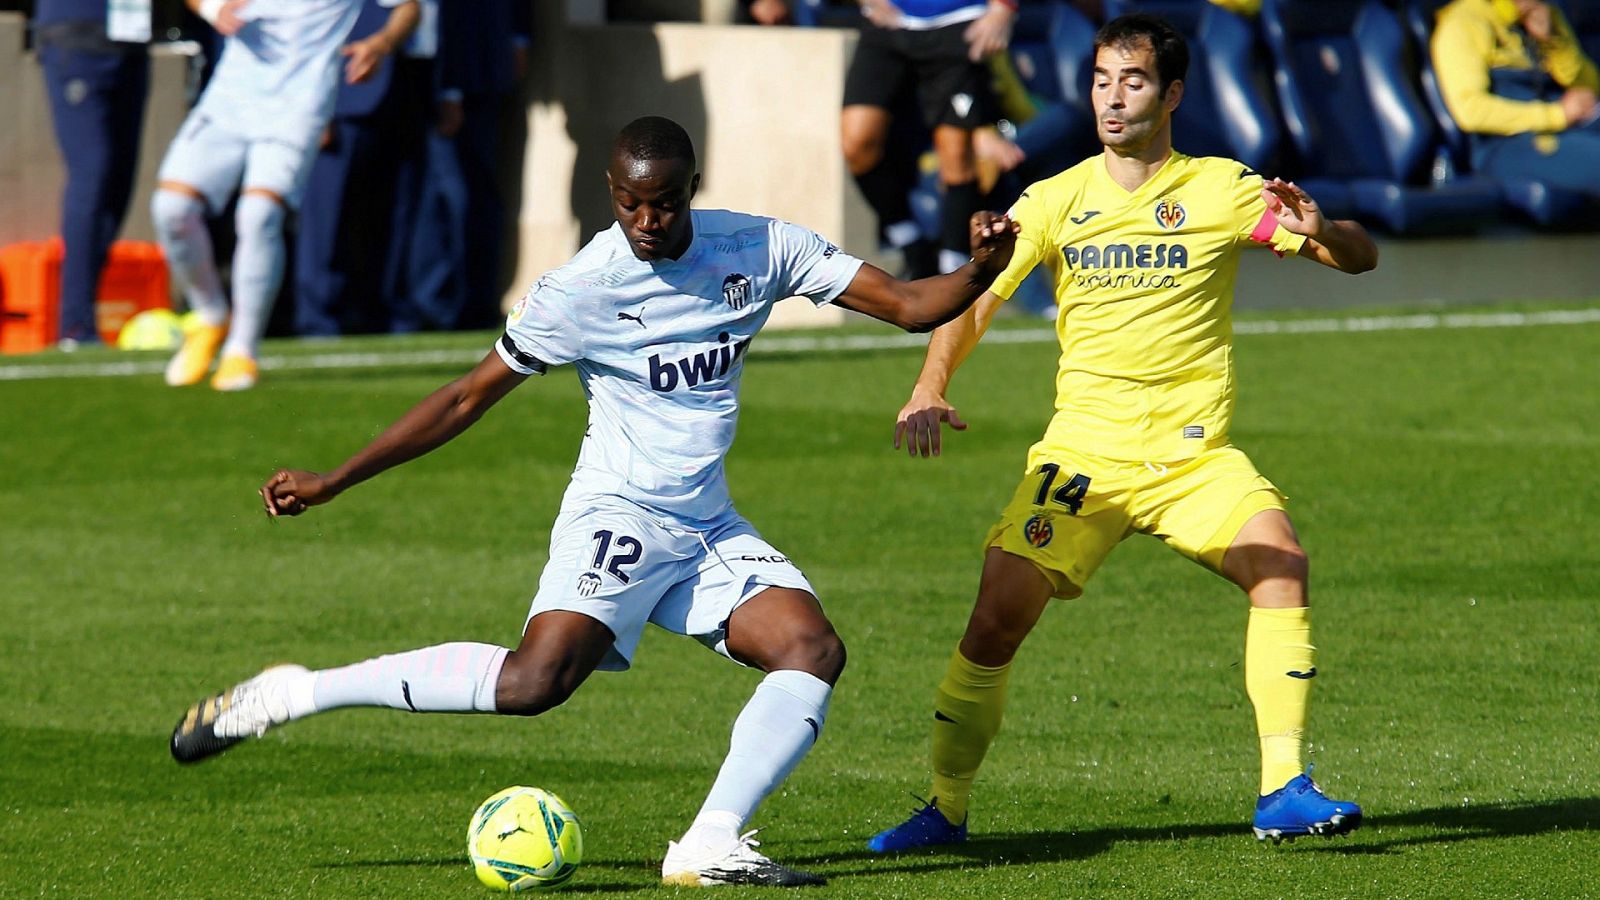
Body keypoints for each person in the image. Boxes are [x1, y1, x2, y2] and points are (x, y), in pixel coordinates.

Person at [168, 116, 1018, 887]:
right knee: (536, 682)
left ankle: (708, 843)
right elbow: (467, 398)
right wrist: (336, 478)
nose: (645, 222)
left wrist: (982, 266)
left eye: (662, 203)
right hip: (618, 515)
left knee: (810, 649)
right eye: (628, 203)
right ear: (610, 194)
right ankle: (298, 691)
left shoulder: (759, 248)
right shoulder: (582, 288)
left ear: (693, 188)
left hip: (706, 522)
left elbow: (911, 306)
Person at [865, 14, 1379, 853]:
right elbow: (976, 300)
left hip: (1191, 457)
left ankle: (1283, 785)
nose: (1112, 95)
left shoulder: (1222, 190)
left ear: (1172, 94)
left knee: (1281, 561)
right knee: (994, 621)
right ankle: (944, 808)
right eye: (1102, 78)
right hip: (1084, 458)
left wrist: (1321, 230)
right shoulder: (1056, 198)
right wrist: (928, 383)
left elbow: (1361, 260)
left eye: (1133, 80)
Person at [152, 0, 419, 391]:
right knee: (171, 210)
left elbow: (408, 8)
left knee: (259, 216)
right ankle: (210, 316)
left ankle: (242, 348)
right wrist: (212, 10)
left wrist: (380, 44)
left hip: (299, 108)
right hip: (229, 101)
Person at [841, 0, 1019, 278]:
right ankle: (913, 246)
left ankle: (953, 268)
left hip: (957, 19)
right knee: (857, 142)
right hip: (888, 21)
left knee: (957, 153)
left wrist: (1003, 8)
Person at [34, 0, 151, 349]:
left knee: (119, 182)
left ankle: (83, 316)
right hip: (76, 36)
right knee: (92, 172)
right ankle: (74, 324)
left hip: (130, 39)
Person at [1432, 0, 1600, 198]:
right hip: (1504, 147)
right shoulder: (1465, 22)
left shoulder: (1546, 13)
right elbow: (1470, 110)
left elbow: (1589, 88)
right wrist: (1558, 115)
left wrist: (1554, 42)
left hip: (1569, 131)